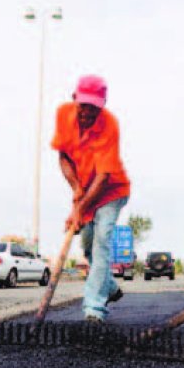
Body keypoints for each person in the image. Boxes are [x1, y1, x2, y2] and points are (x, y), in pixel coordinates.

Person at [52, 75, 131, 322]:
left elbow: (104, 176)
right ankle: (110, 287)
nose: (87, 112)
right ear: (74, 99)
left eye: (94, 107)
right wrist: (76, 189)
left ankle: (94, 309)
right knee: (88, 247)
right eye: (83, 105)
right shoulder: (63, 114)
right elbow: (64, 157)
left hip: (111, 191)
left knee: (101, 242)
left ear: (102, 105)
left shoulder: (110, 125)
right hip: (86, 190)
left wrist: (79, 209)